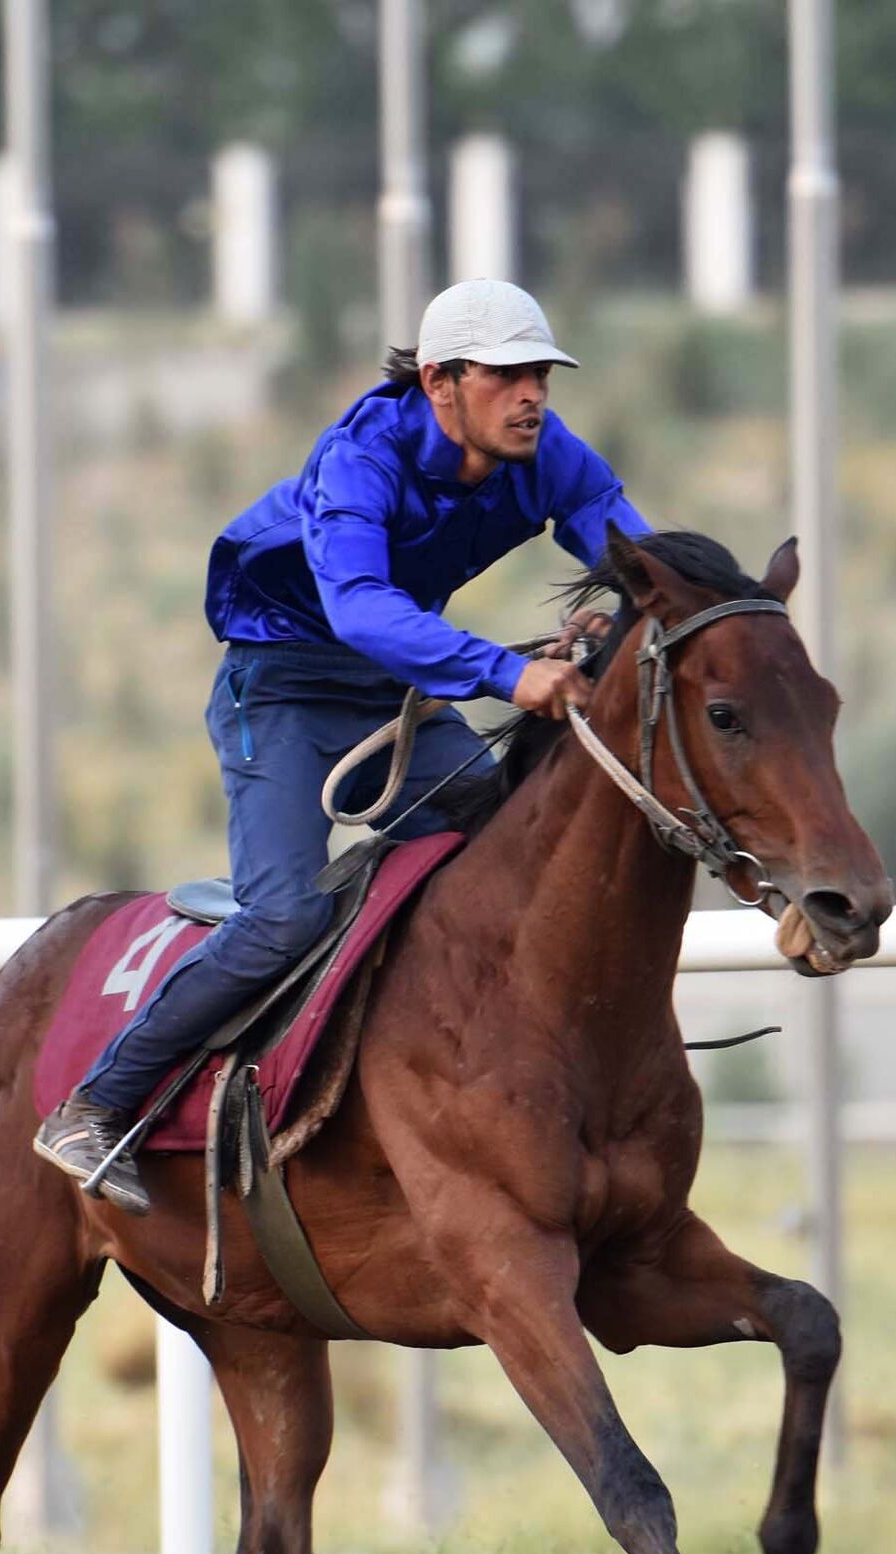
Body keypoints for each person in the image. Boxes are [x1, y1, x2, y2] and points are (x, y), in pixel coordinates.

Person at [34, 279, 653, 1211]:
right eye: (506, 376)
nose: (531, 395)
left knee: (505, 861)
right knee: (284, 918)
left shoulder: (547, 453)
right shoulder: (360, 458)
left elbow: (647, 562)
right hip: (280, 690)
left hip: (391, 693)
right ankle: (96, 1102)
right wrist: (507, 672)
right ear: (440, 382)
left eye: (541, 376)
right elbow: (360, 609)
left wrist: (653, 614)